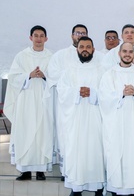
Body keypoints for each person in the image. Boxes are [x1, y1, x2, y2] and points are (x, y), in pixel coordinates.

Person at [99, 42, 134, 196]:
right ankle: (116, 188)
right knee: (117, 153)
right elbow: (103, 97)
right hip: (116, 125)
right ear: (119, 53)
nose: (127, 54)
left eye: (130, 51)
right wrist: (121, 94)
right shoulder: (109, 74)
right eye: (125, 51)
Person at [3, 25, 53, 181]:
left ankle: (40, 170)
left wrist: (45, 76)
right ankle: (24, 170)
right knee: (25, 131)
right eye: (35, 35)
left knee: (42, 132)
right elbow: (13, 77)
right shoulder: (21, 56)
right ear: (30, 38)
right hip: (26, 101)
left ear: (46, 38)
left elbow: (57, 77)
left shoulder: (51, 57)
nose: (38, 39)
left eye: (41, 36)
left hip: (44, 100)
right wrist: (28, 75)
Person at [57, 37, 105, 196]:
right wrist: (77, 92)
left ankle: (98, 186)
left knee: (95, 150)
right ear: (77, 49)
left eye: (88, 47)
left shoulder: (101, 69)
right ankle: (76, 187)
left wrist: (93, 93)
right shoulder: (69, 70)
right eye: (82, 46)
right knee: (76, 150)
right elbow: (62, 91)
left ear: (93, 49)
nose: (85, 49)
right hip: (76, 118)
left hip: (95, 117)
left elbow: (107, 91)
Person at [46, 24, 91, 181]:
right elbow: (53, 75)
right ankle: (68, 171)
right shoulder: (60, 56)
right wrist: (74, 88)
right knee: (67, 137)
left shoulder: (93, 55)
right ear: (72, 35)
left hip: (88, 106)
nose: (80, 35)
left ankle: (86, 170)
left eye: (83, 33)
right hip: (67, 105)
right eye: (77, 33)